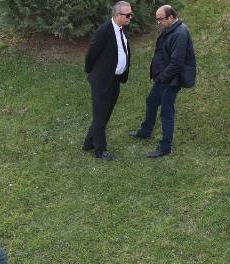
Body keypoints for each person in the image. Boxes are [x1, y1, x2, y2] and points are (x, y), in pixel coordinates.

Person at [130, 5, 196, 158]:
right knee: (151, 101)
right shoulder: (170, 29)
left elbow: (177, 63)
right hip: (164, 78)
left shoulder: (180, 33)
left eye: (160, 19)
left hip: (171, 80)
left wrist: (161, 78)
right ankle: (146, 131)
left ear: (171, 18)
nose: (158, 23)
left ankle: (165, 147)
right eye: (157, 19)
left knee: (167, 112)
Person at [84, 2, 133, 160]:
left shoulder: (121, 30)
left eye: (131, 14)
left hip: (115, 80)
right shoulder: (104, 31)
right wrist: (94, 74)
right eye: (127, 15)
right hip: (102, 81)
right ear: (117, 15)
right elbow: (91, 54)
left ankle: (88, 143)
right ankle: (100, 150)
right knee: (100, 115)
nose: (130, 17)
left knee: (105, 114)